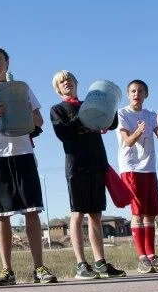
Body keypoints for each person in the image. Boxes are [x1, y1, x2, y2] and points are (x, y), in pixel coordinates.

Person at [0, 48, 57, 286]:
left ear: (7, 62)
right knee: (2, 215)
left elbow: (39, 120)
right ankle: (7, 270)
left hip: (23, 153)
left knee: (32, 211)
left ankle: (39, 267)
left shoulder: (22, 87)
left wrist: (21, 114)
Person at [50, 71, 127, 279]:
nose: (67, 83)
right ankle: (81, 265)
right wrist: (83, 116)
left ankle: (100, 262)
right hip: (76, 166)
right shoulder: (58, 109)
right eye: (62, 82)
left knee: (96, 214)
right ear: (58, 88)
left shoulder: (91, 102)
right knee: (78, 214)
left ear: (76, 83)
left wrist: (110, 104)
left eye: (70, 80)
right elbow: (63, 133)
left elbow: (111, 123)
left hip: (97, 163)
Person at [116, 79, 158, 273]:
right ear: (128, 95)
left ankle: (152, 256)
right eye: (133, 91)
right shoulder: (123, 113)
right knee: (137, 212)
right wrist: (138, 131)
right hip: (131, 168)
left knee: (150, 213)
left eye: (140, 91)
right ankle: (142, 257)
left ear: (146, 94)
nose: (136, 94)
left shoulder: (150, 114)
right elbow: (127, 141)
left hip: (149, 167)